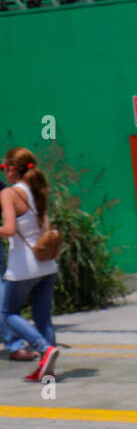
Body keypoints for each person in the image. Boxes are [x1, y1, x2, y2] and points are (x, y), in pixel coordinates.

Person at [1, 147, 60, 380]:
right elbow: (44, 227)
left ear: (12, 170)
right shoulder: (38, 189)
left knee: (7, 313)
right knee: (43, 317)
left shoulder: (9, 193)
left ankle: (44, 349)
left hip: (23, 266)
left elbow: (9, 229)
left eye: (3, 168)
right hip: (46, 264)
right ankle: (49, 371)